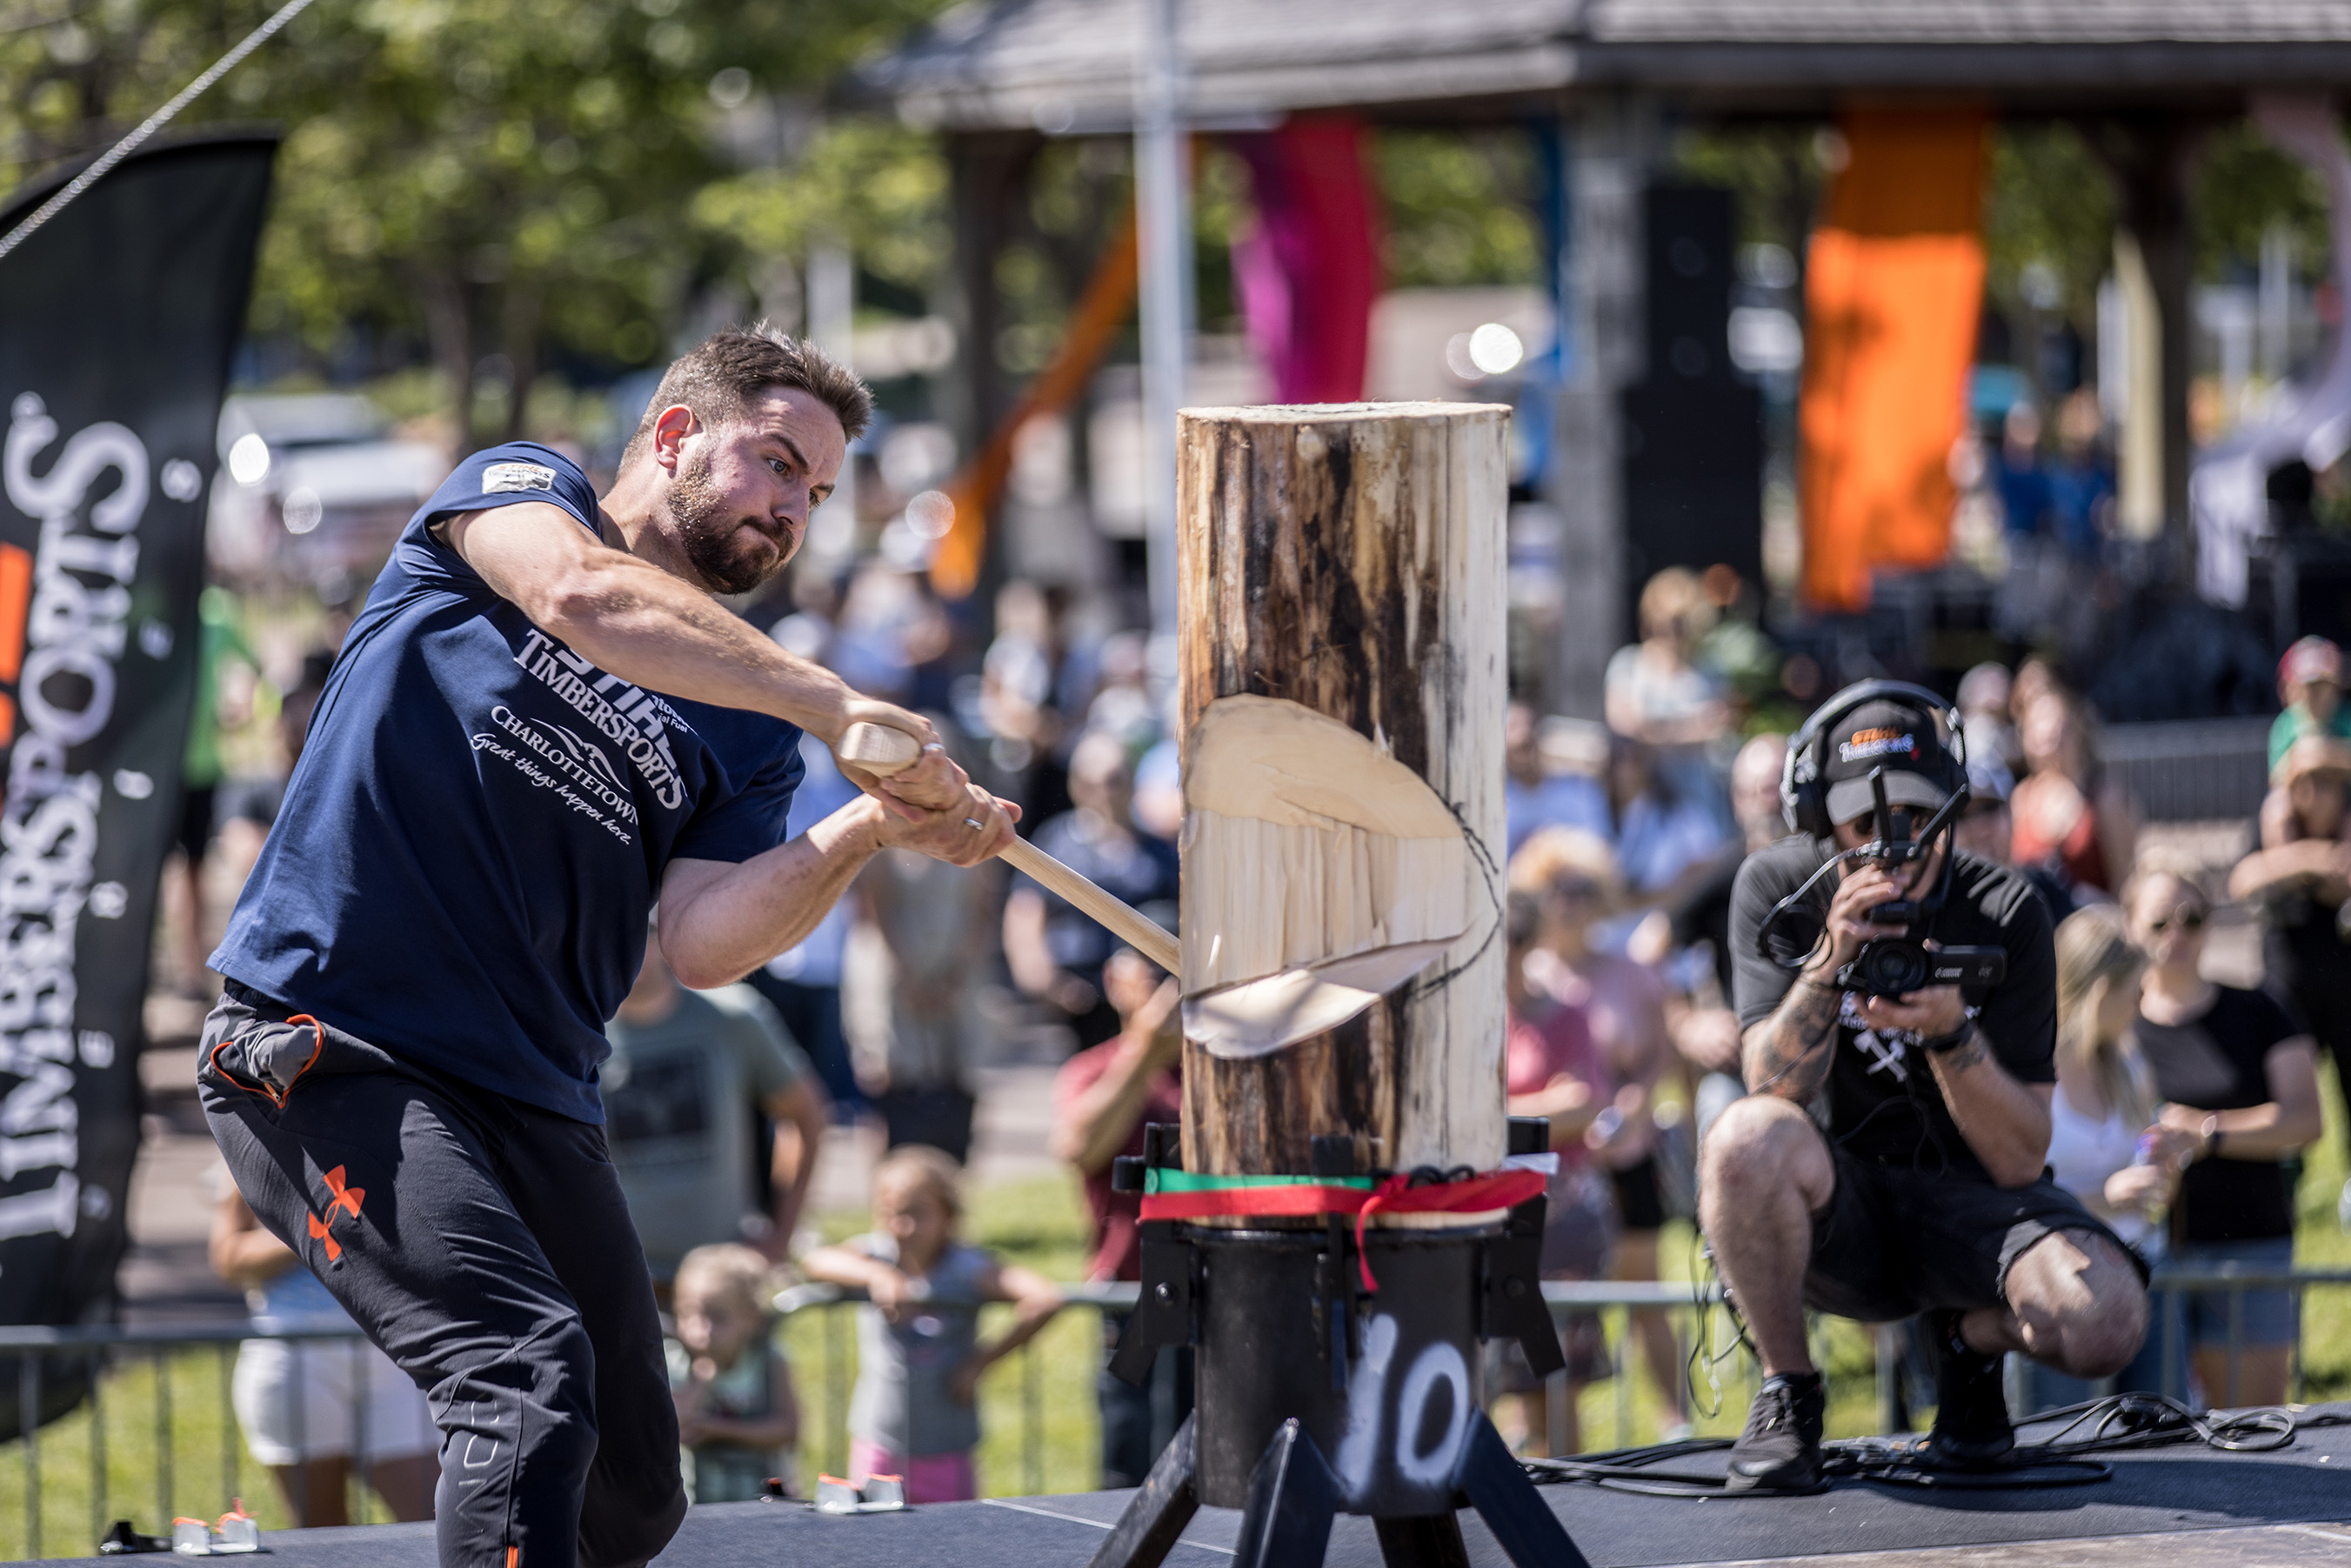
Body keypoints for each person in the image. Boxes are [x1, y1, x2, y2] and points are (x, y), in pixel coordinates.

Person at [198, 326, 1019, 1568]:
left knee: (632, 1485)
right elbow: (581, 596)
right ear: (678, 432)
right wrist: (834, 701)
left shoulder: (747, 728)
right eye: (779, 463)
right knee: (522, 1382)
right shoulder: (519, 494)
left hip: (532, 1094)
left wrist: (864, 822)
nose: (795, 509)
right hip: (336, 1045)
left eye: (818, 491)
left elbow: (700, 943)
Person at [1706, 684, 2147, 1492]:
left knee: (2108, 1319)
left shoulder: (2005, 907)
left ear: (1949, 810)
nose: (1890, 846)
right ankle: (1790, 1391)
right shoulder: (1776, 889)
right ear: (1818, 822)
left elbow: (2020, 1157)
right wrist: (1827, 963)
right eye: (1863, 824)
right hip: (1837, 1200)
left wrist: (1949, 1031)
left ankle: (1965, 1344)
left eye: (1914, 817)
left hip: (1971, 1201)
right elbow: (1767, 1087)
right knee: (1740, 1136)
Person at [2126, 860, 2322, 1408]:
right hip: (2143, 1252)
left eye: (2193, 918)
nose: (2178, 935)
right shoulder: (2116, 1023)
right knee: (2150, 1443)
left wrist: (2209, 1134)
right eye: (2160, 923)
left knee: (2248, 1429)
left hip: (2249, 1243)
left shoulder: (2260, 1008)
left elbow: (2307, 1119)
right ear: (2130, 928)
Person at [1509, 828, 1685, 1437]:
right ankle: (1549, 1435)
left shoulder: (1628, 971)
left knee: (1644, 1293)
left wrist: (1633, 1108)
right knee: (1553, 1309)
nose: (1570, 901)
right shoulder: (1524, 975)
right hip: (1559, 1171)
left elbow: (1661, 1052)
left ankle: (1675, 1421)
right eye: (1556, 889)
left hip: (1626, 1154)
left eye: (1582, 888)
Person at [801, 1146, 1064, 1502]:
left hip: (948, 1449)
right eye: (890, 1213)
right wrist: (878, 1276)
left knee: (951, 1547)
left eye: (917, 1213)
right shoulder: (878, 1255)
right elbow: (815, 1260)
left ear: (949, 1216)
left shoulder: (966, 1268)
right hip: (880, 1444)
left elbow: (1044, 1297)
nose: (902, 1226)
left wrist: (979, 1363)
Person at [2029, 905, 2192, 1410]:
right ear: (2101, 992)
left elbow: (2151, 1171)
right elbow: (2014, 1193)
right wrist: (2105, 1197)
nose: (2141, 1005)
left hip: (2146, 1269)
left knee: (2164, 1434)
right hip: (2065, 1288)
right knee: (2058, 1438)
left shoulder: (2129, 1064)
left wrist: (2165, 1163)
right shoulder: (2032, 1077)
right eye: (2134, 991)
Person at [210, 1178, 437, 1527]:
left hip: (395, 1353)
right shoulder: (260, 1135)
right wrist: (315, 1229)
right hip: (297, 1358)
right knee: (325, 1542)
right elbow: (229, 1258)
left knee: (432, 1526)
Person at [604, 935, 829, 1276]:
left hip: (725, 1275)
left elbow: (805, 1115)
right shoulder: (577, 1030)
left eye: (641, 933)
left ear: (665, 937)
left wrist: (781, 1234)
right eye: (608, 932)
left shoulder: (733, 1017)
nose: (627, 948)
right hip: (620, 1276)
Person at [1050, 946, 1191, 1488]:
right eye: (1156, 976)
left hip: (1222, 1296)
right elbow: (1080, 1147)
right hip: (1132, 1302)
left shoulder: (1222, 1070)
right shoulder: (1093, 1068)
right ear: (1116, 982)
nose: (1167, 994)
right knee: (1129, 1471)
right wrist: (1146, 1050)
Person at [1493, 891, 1615, 1457]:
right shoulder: (1479, 1023)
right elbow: (1559, 1106)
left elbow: (1582, 1106)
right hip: (1493, 1217)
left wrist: (1491, 1116)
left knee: (1552, 1374)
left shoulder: (1566, 1012)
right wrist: (1542, 1107)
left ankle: (1565, 1503)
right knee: (1507, 1383)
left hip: (1559, 1219)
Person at [854, 719, 1005, 1161]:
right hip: (895, 966)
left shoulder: (977, 817)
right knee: (894, 1085)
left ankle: (948, 1201)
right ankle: (893, 1194)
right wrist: (910, 974)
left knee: (956, 1082)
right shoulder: (877, 813)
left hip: (957, 965)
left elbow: (983, 906)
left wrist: (954, 975)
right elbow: (873, 904)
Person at [1629, 732, 1788, 1145]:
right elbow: (1646, 949)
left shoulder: (1831, 867)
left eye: (1774, 787)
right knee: (1721, 1127)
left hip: (1826, 1057)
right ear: (1736, 801)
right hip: (1743, 1063)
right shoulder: (1723, 874)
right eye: (1751, 791)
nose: (1765, 800)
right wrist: (1685, 1024)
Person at [2229, 734, 2351, 1227]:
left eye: (2328, 781)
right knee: (2283, 1096)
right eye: (2305, 782)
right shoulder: (2270, 828)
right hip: (2288, 996)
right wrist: (2307, 859)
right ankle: (2284, 1193)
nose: (2316, 793)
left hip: (2346, 993)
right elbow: (2243, 880)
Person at [1003, 730, 1179, 1049]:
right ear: (1077, 784)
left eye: (1117, 778)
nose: (1107, 791)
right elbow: (1026, 909)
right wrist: (1042, 979)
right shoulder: (1058, 842)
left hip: (1149, 1002)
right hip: (1077, 1002)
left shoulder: (1159, 850)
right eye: (1096, 781)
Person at [747, 731, 866, 1116]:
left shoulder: (840, 790)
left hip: (825, 941)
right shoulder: (767, 781)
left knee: (827, 1048)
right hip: (770, 939)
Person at [667, 1244, 800, 1504]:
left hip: (761, 1504)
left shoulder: (769, 1361)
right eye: (688, 1313)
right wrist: (702, 1377)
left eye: (717, 1317)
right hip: (695, 1508)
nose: (700, 1330)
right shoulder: (673, 1361)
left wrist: (717, 1430)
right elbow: (674, 1428)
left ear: (752, 1318)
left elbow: (787, 1429)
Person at [2009, 688, 2137, 896]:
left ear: (2078, 730)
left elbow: (2125, 883)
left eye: (2060, 729)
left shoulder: (2105, 798)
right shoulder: (2021, 799)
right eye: (2039, 731)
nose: (2051, 740)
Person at [1506, 701, 1610, 858]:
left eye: (1530, 726)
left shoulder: (1577, 792)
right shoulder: (1494, 803)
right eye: (1513, 728)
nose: (1523, 735)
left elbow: (1601, 855)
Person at [2267, 636, 2351, 775]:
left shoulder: (2346, 718)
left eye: (2323, 686)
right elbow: (2278, 778)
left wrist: (2323, 755)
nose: (2315, 695)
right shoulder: (2285, 725)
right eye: (2309, 687)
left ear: (2336, 688)